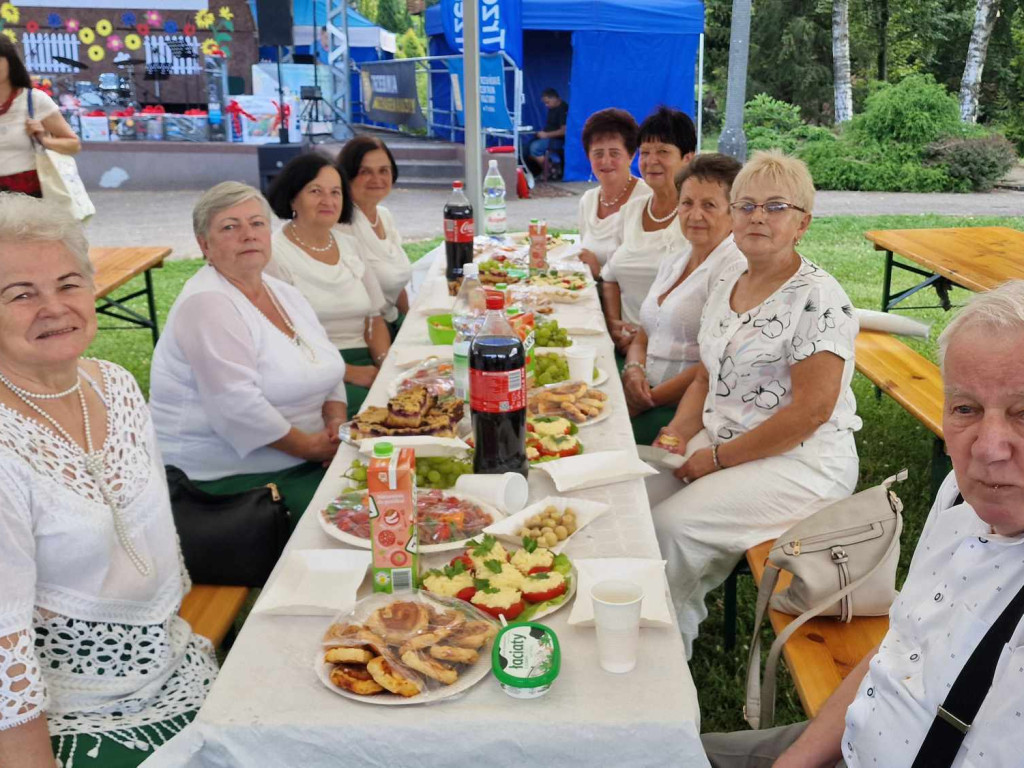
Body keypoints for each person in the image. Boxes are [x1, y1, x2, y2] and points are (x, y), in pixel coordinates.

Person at [702, 279, 1024, 768]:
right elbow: (896, 650)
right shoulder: (958, 496)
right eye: (966, 409)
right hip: (850, 731)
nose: (987, 448)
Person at [0, 194, 217, 768]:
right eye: (21, 294)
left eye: (69, 284)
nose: (54, 308)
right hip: (71, 721)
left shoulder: (114, 385)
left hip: (176, 666)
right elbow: (3, 655)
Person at [651, 151, 860, 658]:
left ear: (802, 223)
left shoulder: (819, 299)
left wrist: (716, 460)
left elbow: (809, 414)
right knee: (634, 502)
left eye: (775, 206)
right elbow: (707, 370)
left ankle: (663, 653)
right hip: (726, 440)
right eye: (745, 205)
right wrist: (677, 431)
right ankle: (645, 615)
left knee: (672, 528)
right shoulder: (730, 281)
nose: (757, 217)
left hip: (802, 462)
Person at [149, 181, 347, 523]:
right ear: (204, 245)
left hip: (307, 454)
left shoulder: (284, 293)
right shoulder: (207, 304)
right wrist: (313, 448)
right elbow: (237, 408)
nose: (248, 235)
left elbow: (326, 364)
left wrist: (336, 423)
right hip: (226, 483)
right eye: (230, 227)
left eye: (257, 224)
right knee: (366, 513)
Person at [623, 153, 745, 445]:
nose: (695, 215)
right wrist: (633, 370)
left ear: (733, 213)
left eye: (709, 205)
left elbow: (715, 362)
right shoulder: (676, 260)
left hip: (684, 409)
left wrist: (647, 399)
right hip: (645, 391)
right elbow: (642, 335)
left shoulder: (735, 269)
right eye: (687, 203)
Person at [265, 152, 391, 415]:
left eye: (336, 192)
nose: (328, 201)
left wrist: (386, 365)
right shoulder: (274, 254)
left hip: (366, 359)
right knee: (384, 416)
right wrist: (350, 373)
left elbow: (375, 318)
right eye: (315, 191)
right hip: (314, 373)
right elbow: (282, 339)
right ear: (292, 197)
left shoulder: (350, 245)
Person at [601, 106, 695, 355]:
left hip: (673, 352)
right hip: (623, 344)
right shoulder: (629, 212)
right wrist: (613, 324)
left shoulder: (697, 218)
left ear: (688, 158)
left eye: (663, 151)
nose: (651, 161)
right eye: (645, 152)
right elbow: (609, 277)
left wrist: (642, 341)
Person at [336, 135, 411, 337]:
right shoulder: (341, 226)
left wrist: (411, 324)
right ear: (346, 175)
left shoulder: (384, 216)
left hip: (393, 320)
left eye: (383, 171)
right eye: (365, 172)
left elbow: (397, 286)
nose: (377, 179)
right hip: (366, 335)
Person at [576, 108, 651, 279]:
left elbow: (644, 272)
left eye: (614, 153)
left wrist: (599, 272)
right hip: (591, 295)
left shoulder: (647, 199)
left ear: (631, 156)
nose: (605, 161)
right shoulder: (587, 201)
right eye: (598, 153)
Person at [0, 37, 80, 196]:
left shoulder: (34, 100)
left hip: (29, 198)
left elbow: (73, 144)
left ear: (10, 61)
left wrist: (44, 140)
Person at [527, 88, 568, 180]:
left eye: (547, 102)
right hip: (549, 137)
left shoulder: (563, 109)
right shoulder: (552, 108)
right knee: (525, 148)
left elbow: (564, 131)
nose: (546, 105)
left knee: (535, 148)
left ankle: (550, 170)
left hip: (559, 140)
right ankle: (550, 167)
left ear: (555, 98)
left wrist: (546, 135)